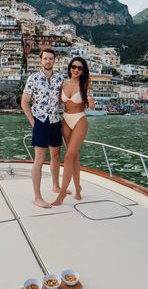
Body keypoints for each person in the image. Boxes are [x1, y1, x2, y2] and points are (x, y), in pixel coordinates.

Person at [21, 47, 64, 208]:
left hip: (54, 120)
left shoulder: (60, 79)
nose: (48, 61)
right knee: (39, 159)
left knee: (56, 154)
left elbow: (63, 99)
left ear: (54, 61)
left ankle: (55, 186)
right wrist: (33, 122)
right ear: (41, 60)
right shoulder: (33, 79)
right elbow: (24, 102)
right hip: (40, 120)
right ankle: (37, 197)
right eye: (45, 58)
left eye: (50, 59)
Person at [52, 56, 94, 206]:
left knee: (69, 156)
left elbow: (91, 106)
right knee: (74, 157)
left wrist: (91, 103)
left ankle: (62, 193)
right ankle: (78, 188)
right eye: (74, 67)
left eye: (80, 68)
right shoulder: (62, 84)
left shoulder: (86, 85)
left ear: (83, 72)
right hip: (65, 120)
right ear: (70, 68)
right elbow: (56, 101)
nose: (76, 70)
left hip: (79, 120)